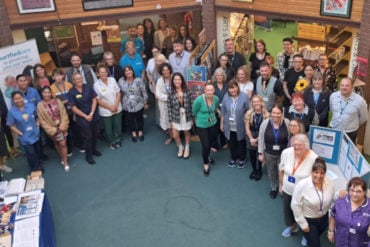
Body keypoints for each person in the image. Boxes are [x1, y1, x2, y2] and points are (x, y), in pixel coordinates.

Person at [278, 134, 318, 238]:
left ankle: (306, 233)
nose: (296, 147)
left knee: (304, 213)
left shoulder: (313, 158)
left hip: (304, 194)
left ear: (306, 146)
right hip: (287, 189)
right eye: (294, 144)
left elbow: (316, 178)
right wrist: (281, 185)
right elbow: (281, 170)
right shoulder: (286, 152)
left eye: (299, 145)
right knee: (287, 210)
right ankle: (292, 226)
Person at [291, 158, 335, 247]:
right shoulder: (302, 185)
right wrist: (303, 224)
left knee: (316, 237)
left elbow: (332, 197)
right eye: (316, 172)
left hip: (324, 218)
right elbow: (295, 205)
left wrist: (340, 194)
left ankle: (308, 238)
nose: (319, 176)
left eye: (322, 173)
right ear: (311, 172)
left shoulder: (329, 182)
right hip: (309, 220)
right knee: (315, 244)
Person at [68, 73, 101, 165]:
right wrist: (85, 116)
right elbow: (73, 108)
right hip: (82, 118)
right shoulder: (71, 92)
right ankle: (88, 156)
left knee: (95, 134)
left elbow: (94, 100)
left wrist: (91, 113)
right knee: (88, 137)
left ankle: (94, 150)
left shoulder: (88, 87)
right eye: (77, 79)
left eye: (80, 78)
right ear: (73, 81)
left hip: (93, 114)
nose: (79, 80)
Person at [258, 103, 289, 199]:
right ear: (271, 113)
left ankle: (282, 186)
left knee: (282, 171)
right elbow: (261, 138)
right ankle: (273, 187)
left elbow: (291, 138)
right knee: (271, 171)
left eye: (278, 113)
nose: (275, 115)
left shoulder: (287, 122)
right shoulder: (265, 123)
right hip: (269, 153)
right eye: (273, 113)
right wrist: (260, 153)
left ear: (282, 113)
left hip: (283, 154)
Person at [7, 91, 43, 172]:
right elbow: (11, 125)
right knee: (31, 153)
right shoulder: (11, 111)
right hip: (25, 136)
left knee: (37, 151)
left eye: (19, 98)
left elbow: (37, 116)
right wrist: (20, 133)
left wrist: (37, 125)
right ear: (13, 100)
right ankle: (35, 169)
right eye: (16, 99)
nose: (18, 100)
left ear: (23, 98)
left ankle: (39, 165)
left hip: (35, 133)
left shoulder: (31, 105)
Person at [328, 177, 370, 247]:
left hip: (359, 244)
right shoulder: (341, 200)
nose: (354, 194)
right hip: (341, 241)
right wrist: (330, 232)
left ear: (364, 192)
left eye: (358, 191)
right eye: (352, 190)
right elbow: (333, 215)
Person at [37, 87, 70, 172]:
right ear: (42, 94)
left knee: (63, 143)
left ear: (51, 93)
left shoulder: (57, 101)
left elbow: (64, 113)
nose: (47, 94)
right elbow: (42, 120)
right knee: (56, 143)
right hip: (51, 129)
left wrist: (62, 126)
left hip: (62, 127)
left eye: (48, 92)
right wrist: (52, 130)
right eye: (45, 92)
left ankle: (65, 162)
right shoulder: (40, 105)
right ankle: (62, 157)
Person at [220, 80, 250, 169]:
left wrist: (247, 123)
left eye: (233, 88)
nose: (232, 90)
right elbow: (223, 111)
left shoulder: (244, 96)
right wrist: (221, 124)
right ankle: (233, 157)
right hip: (229, 125)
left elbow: (249, 110)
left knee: (241, 142)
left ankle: (242, 158)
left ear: (237, 87)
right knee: (231, 142)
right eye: (230, 88)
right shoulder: (226, 96)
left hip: (240, 124)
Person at [329, 77, 368, 143]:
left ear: (352, 87)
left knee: (348, 152)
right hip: (334, 129)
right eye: (342, 85)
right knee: (333, 149)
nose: (344, 87)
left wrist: (352, 124)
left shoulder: (360, 101)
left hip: (350, 133)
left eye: (347, 85)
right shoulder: (333, 96)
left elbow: (364, 118)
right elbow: (332, 109)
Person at [192, 83, 219, 177]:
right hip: (201, 125)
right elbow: (194, 110)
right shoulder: (199, 100)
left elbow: (214, 108)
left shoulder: (216, 99)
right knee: (206, 145)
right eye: (207, 90)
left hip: (212, 123)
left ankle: (207, 156)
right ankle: (206, 164)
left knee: (211, 142)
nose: (209, 92)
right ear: (204, 90)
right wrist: (196, 120)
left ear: (214, 90)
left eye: (211, 90)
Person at [94, 66, 122, 150]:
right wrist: (110, 108)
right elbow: (98, 100)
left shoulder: (112, 80)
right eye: (101, 72)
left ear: (107, 73)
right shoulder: (96, 85)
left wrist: (116, 105)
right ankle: (111, 141)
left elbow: (118, 93)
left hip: (117, 107)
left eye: (104, 72)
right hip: (106, 110)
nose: (103, 74)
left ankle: (118, 139)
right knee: (108, 128)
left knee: (118, 126)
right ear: (98, 74)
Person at [118, 65, 148, 142]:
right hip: (127, 104)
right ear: (124, 73)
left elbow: (144, 91)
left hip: (138, 103)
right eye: (126, 71)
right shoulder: (121, 81)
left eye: (130, 70)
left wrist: (145, 102)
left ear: (132, 71)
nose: (128, 72)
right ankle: (133, 132)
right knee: (130, 119)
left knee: (139, 118)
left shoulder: (138, 80)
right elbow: (119, 93)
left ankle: (140, 131)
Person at [167, 72, 193, 158]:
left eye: (179, 79)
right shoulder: (170, 92)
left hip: (187, 116)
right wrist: (170, 120)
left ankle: (187, 147)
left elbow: (192, 104)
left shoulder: (188, 90)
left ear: (182, 80)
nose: (177, 81)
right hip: (175, 116)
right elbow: (169, 107)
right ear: (173, 81)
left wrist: (193, 117)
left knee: (186, 132)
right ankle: (180, 147)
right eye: (175, 79)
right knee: (175, 134)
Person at [50, 69, 74, 155]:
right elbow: (53, 103)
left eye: (60, 75)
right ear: (53, 77)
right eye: (56, 75)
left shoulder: (69, 85)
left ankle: (79, 145)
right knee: (66, 131)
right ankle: (69, 149)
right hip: (61, 113)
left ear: (63, 76)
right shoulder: (51, 88)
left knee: (75, 128)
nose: (59, 77)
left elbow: (73, 96)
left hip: (72, 110)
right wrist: (64, 102)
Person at [245, 95, 269, 180]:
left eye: (258, 101)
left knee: (259, 154)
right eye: (254, 102)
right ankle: (254, 170)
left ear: (261, 102)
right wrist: (251, 138)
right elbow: (247, 128)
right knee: (251, 155)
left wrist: (258, 139)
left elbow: (266, 130)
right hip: (251, 136)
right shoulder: (249, 113)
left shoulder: (266, 115)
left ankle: (259, 171)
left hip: (261, 136)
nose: (256, 103)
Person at [156, 63, 173, 144]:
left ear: (170, 70)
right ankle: (171, 137)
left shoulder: (174, 77)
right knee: (167, 120)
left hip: (175, 103)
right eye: (164, 70)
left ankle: (177, 135)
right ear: (161, 72)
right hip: (164, 104)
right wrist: (169, 98)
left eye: (167, 70)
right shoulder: (159, 80)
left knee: (176, 119)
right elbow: (158, 94)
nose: (166, 72)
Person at [212, 68, 228, 151]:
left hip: (225, 110)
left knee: (224, 127)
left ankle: (223, 142)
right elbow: (211, 99)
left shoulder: (227, 85)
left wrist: (223, 111)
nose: (219, 77)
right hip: (215, 110)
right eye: (218, 75)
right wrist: (217, 110)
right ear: (215, 76)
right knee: (215, 128)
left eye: (221, 75)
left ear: (223, 76)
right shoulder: (212, 86)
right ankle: (214, 145)